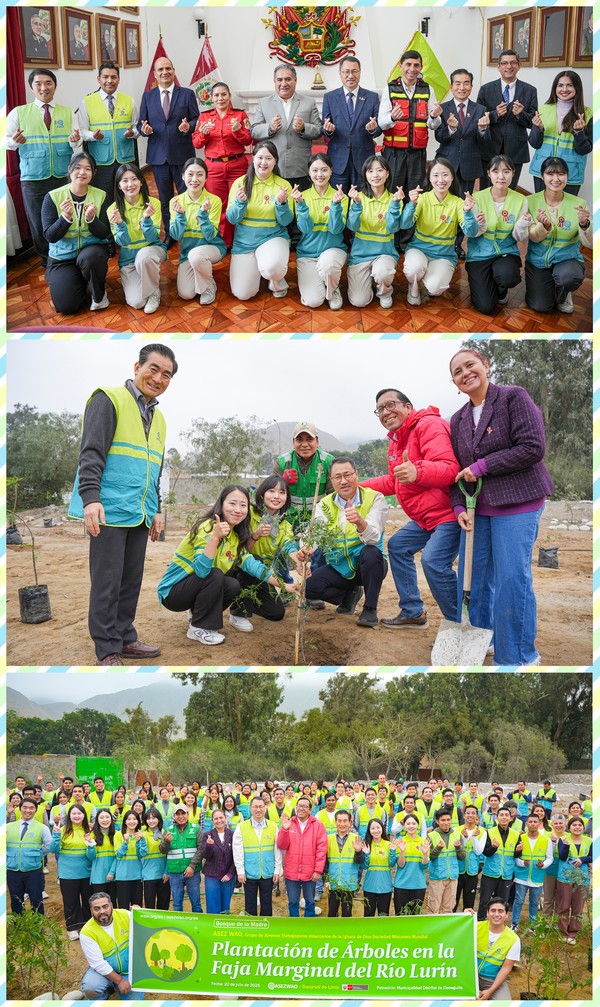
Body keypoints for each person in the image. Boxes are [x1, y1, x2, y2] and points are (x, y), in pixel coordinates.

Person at [68, 343, 176, 664]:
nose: (158, 378)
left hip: (139, 512)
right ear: (136, 367)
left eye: (166, 374)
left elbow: (153, 468)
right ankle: (107, 648)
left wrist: (156, 509)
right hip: (108, 510)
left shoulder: (159, 419)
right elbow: (91, 453)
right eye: (153, 369)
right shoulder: (108, 399)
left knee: (131, 580)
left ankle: (125, 636)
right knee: (107, 583)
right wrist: (91, 499)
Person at [449, 347, 554, 665]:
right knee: (472, 580)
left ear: (485, 366)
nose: (465, 373)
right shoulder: (458, 420)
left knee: (511, 580)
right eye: (457, 372)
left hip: (520, 503)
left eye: (470, 365)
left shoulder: (513, 397)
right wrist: (458, 508)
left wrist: (482, 466)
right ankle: (482, 642)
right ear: (454, 383)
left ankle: (519, 656)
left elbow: (533, 447)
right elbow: (457, 472)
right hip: (477, 510)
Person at [361, 387, 460, 630]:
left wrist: (418, 472)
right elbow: (394, 481)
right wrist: (356, 486)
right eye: (380, 409)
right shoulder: (397, 440)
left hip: (448, 513)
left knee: (434, 562)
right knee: (398, 545)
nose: (385, 411)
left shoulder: (429, 426)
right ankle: (413, 612)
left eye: (391, 404)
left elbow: (450, 469)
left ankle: (461, 622)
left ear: (408, 407)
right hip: (426, 516)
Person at [158, 484, 284, 645]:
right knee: (215, 574)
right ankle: (198, 628)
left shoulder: (235, 537)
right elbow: (202, 571)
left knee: (232, 584)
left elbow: (252, 565)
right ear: (221, 504)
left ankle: (197, 614)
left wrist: (284, 584)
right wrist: (215, 538)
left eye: (243, 505)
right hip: (173, 593)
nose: (238, 509)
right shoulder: (208, 527)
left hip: (193, 589)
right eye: (232, 503)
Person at [7, 69, 81, 270]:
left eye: (48, 83)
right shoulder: (19, 113)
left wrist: (76, 141)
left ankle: (65, 255)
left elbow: (77, 142)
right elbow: (5, 141)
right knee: (38, 223)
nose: (43, 87)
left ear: (55, 86)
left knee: (65, 216)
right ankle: (47, 260)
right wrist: (14, 141)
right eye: (38, 83)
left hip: (61, 175)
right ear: (32, 87)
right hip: (33, 177)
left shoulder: (67, 112)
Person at [304, 457, 389, 628]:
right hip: (340, 566)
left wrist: (360, 522)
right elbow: (313, 534)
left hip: (368, 566)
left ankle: (370, 608)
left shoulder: (375, 499)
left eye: (347, 475)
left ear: (356, 475)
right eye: (337, 477)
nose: (343, 481)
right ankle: (349, 595)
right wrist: (304, 550)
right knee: (310, 588)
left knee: (371, 553)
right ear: (331, 481)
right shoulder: (324, 505)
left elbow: (373, 538)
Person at [378, 49, 443, 251]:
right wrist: (392, 118)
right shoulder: (389, 89)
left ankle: (407, 241)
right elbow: (381, 122)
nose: (412, 69)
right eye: (408, 65)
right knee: (393, 194)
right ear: (401, 66)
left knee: (414, 194)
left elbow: (433, 125)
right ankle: (391, 237)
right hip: (394, 153)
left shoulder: (427, 89)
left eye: (416, 65)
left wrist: (435, 116)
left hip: (417, 153)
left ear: (420, 68)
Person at [401, 157, 479, 306]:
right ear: (429, 178)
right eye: (436, 175)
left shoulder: (458, 203)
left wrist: (468, 213)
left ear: (451, 178)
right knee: (414, 269)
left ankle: (425, 283)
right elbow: (405, 225)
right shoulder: (422, 199)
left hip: (444, 255)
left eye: (445, 174)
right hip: (419, 250)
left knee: (435, 289)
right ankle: (414, 285)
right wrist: (411, 204)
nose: (440, 180)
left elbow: (471, 232)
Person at [41, 150, 110, 313]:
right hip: (62, 257)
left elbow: (105, 233)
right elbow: (50, 236)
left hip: (91, 252)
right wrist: (65, 218)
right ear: (70, 170)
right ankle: (81, 280)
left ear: (94, 173)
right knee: (67, 306)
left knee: (92, 257)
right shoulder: (52, 197)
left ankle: (99, 296)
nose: (82, 172)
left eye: (87, 169)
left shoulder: (101, 196)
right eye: (78, 167)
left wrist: (92, 219)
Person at [137, 57, 199, 239]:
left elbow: (197, 119)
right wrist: (145, 130)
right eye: (160, 69)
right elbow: (141, 124)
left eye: (168, 68)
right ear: (155, 74)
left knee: (187, 195)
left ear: (173, 70)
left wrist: (189, 127)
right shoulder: (147, 96)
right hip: (158, 157)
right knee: (165, 199)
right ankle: (170, 234)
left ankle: (189, 232)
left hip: (183, 154)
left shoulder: (187, 94)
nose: (165, 72)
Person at [434, 69, 492, 259]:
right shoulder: (444, 108)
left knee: (462, 206)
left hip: (469, 164)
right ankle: (441, 242)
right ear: (451, 87)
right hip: (446, 164)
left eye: (466, 83)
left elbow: (485, 141)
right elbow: (439, 136)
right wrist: (450, 129)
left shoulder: (480, 110)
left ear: (471, 87)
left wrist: (483, 130)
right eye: (457, 83)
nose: (462, 87)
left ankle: (457, 244)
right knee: (442, 204)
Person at [229, 475, 301, 628]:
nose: (276, 496)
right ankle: (238, 613)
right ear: (262, 493)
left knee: (276, 613)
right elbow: (240, 552)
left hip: (258, 574)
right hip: (235, 567)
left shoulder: (284, 524)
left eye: (282, 492)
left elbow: (289, 546)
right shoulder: (247, 513)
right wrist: (255, 535)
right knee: (254, 559)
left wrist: (299, 559)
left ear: (286, 497)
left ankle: (242, 600)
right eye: (271, 491)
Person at [524, 155, 591, 315]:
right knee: (541, 306)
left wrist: (584, 224)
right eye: (550, 174)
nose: (556, 179)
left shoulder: (578, 204)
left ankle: (564, 294)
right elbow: (533, 237)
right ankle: (544, 287)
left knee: (569, 278)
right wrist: (543, 226)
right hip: (538, 261)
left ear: (567, 176)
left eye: (561, 174)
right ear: (542, 176)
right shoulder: (529, 201)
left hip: (567, 259)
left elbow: (590, 243)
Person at [226, 141, 293, 300]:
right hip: (244, 242)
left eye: (269, 158)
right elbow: (232, 218)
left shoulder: (283, 185)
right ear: (253, 158)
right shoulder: (240, 183)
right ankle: (258, 265)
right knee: (242, 294)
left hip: (273, 237)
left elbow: (286, 222)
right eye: (260, 157)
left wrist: (281, 204)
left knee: (272, 269)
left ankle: (276, 281)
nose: (264, 162)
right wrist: (240, 203)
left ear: (275, 161)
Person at [465, 155, 529, 314]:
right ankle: (486, 283)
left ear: (513, 173)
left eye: (506, 171)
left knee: (508, 276)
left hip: (506, 253)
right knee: (486, 306)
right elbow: (471, 234)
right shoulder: (477, 198)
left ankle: (501, 289)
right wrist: (479, 225)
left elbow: (519, 238)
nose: (501, 176)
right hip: (480, 254)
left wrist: (522, 224)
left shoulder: (521, 200)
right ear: (488, 173)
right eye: (496, 171)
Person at [192, 82, 252, 248]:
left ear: (229, 96)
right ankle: (224, 242)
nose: (220, 98)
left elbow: (248, 140)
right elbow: (196, 144)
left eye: (224, 94)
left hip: (237, 166)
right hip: (213, 168)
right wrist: (203, 135)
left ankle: (241, 239)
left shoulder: (240, 116)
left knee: (238, 203)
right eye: (216, 95)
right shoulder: (204, 117)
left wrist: (238, 131)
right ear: (211, 98)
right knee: (219, 204)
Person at [346, 154, 406, 308]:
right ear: (365, 175)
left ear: (387, 174)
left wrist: (394, 205)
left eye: (380, 170)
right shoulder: (357, 197)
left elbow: (393, 228)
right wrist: (357, 205)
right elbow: (352, 227)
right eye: (370, 171)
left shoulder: (395, 199)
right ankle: (366, 280)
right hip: (360, 255)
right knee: (359, 301)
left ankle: (384, 291)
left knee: (383, 272)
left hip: (384, 254)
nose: (375, 175)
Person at [250, 64, 322, 191]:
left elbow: (318, 130)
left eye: (288, 79)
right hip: (273, 167)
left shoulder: (309, 102)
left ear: (295, 80)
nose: (284, 83)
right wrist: (270, 128)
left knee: (300, 208)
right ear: (274, 82)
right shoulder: (264, 103)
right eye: (280, 80)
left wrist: (304, 128)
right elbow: (254, 131)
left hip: (301, 167)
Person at [108, 162, 166, 315]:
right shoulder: (112, 210)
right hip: (128, 260)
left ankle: (154, 292)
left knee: (144, 257)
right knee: (136, 302)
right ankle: (146, 279)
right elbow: (123, 242)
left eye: (134, 179)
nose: (130, 184)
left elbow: (154, 237)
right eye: (125, 180)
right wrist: (120, 224)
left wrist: (146, 220)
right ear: (119, 186)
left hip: (152, 251)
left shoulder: (154, 204)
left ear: (141, 182)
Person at [293, 154, 348, 310]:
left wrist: (336, 205)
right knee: (314, 301)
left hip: (333, 250)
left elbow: (335, 229)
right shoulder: (301, 196)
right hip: (307, 254)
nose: (320, 174)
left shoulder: (340, 197)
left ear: (331, 171)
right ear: (309, 173)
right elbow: (305, 229)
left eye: (324, 170)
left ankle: (333, 288)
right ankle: (323, 279)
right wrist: (301, 205)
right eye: (315, 170)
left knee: (328, 265)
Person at [169, 157, 226, 306]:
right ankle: (199, 270)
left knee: (197, 256)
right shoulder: (175, 202)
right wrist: (180, 216)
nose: (195, 179)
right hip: (187, 253)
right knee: (186, 294)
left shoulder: (213, 200)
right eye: (190, 174)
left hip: (213, 247)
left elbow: (209, 235)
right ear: (182, 176)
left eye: (200, 174)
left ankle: (208, 285)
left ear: (206, 177)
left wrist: (203, 215)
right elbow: (175, 236)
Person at [77, 63, 138, 202]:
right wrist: (92, 135)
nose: (109, 80)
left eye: (113, 77)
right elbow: (82, 131)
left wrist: (132, 133)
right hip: (100, 162)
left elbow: (136, 127)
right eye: (105, 77)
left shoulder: (129, 101)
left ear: (118, 79)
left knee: (127, 198)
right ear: (99, 79)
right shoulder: (87, 101)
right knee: (104, 199)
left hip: (125, 159)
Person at [477, 51, 537, 188]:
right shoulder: (486, 89)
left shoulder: (530, 90)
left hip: (516, 149)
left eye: (513, 62)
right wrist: (495, 114)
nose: (509, 66)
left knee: (510, 191)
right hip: (490, 147)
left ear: (519, 65)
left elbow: (533, 121)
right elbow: (479, 118)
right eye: (504, 63)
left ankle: (507, 211)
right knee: (486, 190)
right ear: (498, 67)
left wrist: (520, 114)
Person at [322, 56, 381, 189]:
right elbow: (324, 128)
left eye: (354, 71)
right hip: (338, 160)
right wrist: (328, 130)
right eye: (346, 71)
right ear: (340, 73)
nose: (350, 75)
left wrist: (372, 129)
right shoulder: (330, 97)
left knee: (360, 202)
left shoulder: (372, 97)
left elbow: (378, 129)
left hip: (364, 159)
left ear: (360, 72)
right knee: (339, 201)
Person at [529, 71, 592, 195]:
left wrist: (579, 132)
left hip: (570, 172)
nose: (564, 89)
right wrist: (538, 129)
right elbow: (534, 144)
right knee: (541, 210)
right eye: (560, 85)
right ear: (555, 88)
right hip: (543, 171)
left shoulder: (587, 114)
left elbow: (585, 149)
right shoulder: (543, 109)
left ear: (577, 88)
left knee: (565, 211)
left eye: (570, 85)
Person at [80, 892, 144, 1001]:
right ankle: (103, 997)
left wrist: (140, 914)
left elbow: (145, 930)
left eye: (105, 906)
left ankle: (114, 985)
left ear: (111, 905)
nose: (102, 911)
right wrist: (119, 981)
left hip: (128, 971)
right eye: (97, 908)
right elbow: (98, 963)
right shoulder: (87, 932)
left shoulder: (125, 915)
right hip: (104, 972)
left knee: (136, 1002)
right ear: (91, 911)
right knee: (90, 987)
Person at [277, 797, 327, 918]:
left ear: (310, 810)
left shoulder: (318, 825)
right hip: (292, 872)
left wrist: (318, 870)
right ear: (295, 808)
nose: (301, 808)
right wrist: (284, 829)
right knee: (293, 901)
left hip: (310, 873)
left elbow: (322, 849)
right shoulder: (290, 823)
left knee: (310, 901)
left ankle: (309, 927)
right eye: (299, 805)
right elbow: (281, 845)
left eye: (305, 806)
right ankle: (295, 925)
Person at [232, 796, 282, 917]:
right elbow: (237, 850)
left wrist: (277, 870)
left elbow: (277, 849)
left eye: (261, 806)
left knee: (267, 903)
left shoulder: (273, 826)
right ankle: (252, 929)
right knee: (250, 903)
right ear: (250, 808)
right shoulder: (241, 827)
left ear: (265, 808)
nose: (258, 810)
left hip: (267, 871)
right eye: (255, 807)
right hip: (249, 872)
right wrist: (240, 871)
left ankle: (266, 929)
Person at [50, 803, 94, 939]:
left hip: (86, 872)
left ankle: (87, 926)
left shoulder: (89, 831)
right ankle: (72, 927)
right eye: (73, 813)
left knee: (88, 900)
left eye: (79, 813)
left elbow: (92, 856)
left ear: (84, 815)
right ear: (69, 816)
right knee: (71, 901)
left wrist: (91, 846)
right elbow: (54, 850)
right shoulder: (62, 830)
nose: (76, 816)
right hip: (68, 873)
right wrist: (56, 836)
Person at [7, 797, 52, 915]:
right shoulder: (9, 827)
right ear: (19, 809)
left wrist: (36, 855)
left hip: (33, 870)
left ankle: (37, 928)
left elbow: (48, 846)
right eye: (25, 807)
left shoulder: (42, 828)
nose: (28, 810)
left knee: (36, 900)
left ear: (36, 810)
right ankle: (19, 927)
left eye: (32, 808)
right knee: (16, 900)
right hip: (13, 869)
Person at [471, 897, 521, 1000]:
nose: (496, 914)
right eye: (493, 911)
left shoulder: (513, 939)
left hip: (492, 980)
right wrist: (465, 917)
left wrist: (490, 991)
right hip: (469, 975)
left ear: (506, 915)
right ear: (487, 913)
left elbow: (506, 968)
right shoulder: (475, 927)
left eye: (501, 911)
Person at [189, 808, 237, 914]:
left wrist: (230, 873)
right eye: (216, 819)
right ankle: (213, 927)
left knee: (225, 905)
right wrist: (209, 845)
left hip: (228, 876)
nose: (219, 820)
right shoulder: (207, 835)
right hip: (212, 875)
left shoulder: (233, 835)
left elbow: (237, 856)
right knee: (212, 905)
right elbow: (205, 855)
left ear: (226, 818)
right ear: (212, 820)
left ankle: (224, 927)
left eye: (221, 818)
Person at [511, 813, 553, 928]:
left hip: (537, 877)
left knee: (534, 903)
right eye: (530, 822)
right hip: (521, 876)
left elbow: (550, 858)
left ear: (539, 823)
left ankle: (533, 926)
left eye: (535, 822)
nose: (533, 824)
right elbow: (516, 856)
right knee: (518, 901)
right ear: (526, 823)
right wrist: (522, 863)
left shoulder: (546, 840)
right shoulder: (521, 838)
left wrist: (543, 865)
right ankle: (514, 924)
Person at [478, 807, 519, 920]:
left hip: (506, 873)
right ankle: (480, 922)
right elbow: (486, 852)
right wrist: (493, 847)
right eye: (501, 815)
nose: (504, 817)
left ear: (511, 818)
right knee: (484, 901)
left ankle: (498, 924)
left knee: (502, 902)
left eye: (507, 815)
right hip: (490, 873)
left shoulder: (516, 834)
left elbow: (516, 855)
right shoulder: (489, 832)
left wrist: (518, 851)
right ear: (497, 818)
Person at [159, 804, 203, 913]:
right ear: (174, 816)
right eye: (177, 814)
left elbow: (201, 848)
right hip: (175, 873)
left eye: (183, 813)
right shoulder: (168, 830)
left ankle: (197, 928)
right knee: (177, 904)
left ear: (188, 815)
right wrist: (166, 842)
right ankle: (178, 929)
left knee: (196, 903)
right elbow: (162, 850)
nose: (180, 816)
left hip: (193, 873)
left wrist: (192, 867)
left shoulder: (196, 828)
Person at [556, 816, 592, 944]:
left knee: (578, 907)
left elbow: (592, 856)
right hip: (565, 877)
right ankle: (563, 932)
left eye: (579, 825)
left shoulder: (589, 840)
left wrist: (582, 859)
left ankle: (573, 933)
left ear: (583, 827)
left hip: (582, 878)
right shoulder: (563, 839)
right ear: (569, 827)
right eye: (574, 825)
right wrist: (565, 846)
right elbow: (562, 856)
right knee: (564, 905)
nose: (577, 827)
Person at [324, 809, 364, 917]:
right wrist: (326, 879)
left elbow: (360, 863)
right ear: (335, 822)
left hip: (348, 883)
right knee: (332, 912)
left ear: (350, 823)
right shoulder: (328, 839)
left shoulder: (356, 839)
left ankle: (345, 934)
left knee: (347, 912)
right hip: (333, 882)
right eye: (339, 821)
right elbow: (325, 862)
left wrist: (358, 851)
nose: (342, 824)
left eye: (345, 821)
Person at [427, 809, 466, 914]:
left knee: (448, 908)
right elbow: (429, 857)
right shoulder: (431, 836)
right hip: (437, 877)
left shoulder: (457, 835)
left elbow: (462, 857)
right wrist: (438, 848)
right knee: (434, 907)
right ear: (437, 821)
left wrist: (458, 848)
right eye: (443, 820)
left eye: (448, 820)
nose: (446, 823)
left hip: (452, 877)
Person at [392, 813, 430, 914]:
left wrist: (425, 854)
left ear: (418, 825)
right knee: (401, 916)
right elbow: (400, 865)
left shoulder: (424, 842)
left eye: (414, 823)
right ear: (404, 826)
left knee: (415, 916)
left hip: (418, 885)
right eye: (408, 823)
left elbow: (424, 866)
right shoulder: (399, 841)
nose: (411, 826)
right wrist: (402, 852)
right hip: (401, 885)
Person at [360, 819, 398, 917]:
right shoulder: (366, 845)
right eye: (373, 828)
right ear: (369, 830)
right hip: (370, 885)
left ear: (382, 829)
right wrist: (366, 854)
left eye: (378, 828)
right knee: (368, 914)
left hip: (385, 885)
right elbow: (364, 866)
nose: (376, 831)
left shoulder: (388, 844)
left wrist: (393, 851)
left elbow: (392, 864)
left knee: (383, 914)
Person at [113, 810, 148, 910]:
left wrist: (141, 840)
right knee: (123, 908)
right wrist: (125, 842)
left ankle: (135, 926)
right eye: (129, 819)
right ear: (125, 821)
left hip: (137, 876)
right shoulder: (118, 835)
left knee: (137, 908)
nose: (132, 822)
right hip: (122, 877)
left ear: (138, 821)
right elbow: (118, 855)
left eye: (134, 819)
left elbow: (142, 854)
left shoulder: (140, 835)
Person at [455, 805, 487, 912]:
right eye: (468, 813)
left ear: (477, 816)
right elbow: (457, 849)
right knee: (453, 901)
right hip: (458, 870)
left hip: (472, 871)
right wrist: (463, 839)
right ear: (464, 815)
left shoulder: (482, 831)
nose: (470, 815)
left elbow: (478, 851)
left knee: (469, 904)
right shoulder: (456, 830)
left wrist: (473, 837)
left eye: (473, 813)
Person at [88, 809, 117, 903]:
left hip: (114, 876)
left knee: (112, 903)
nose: (105, 820)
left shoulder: (117, 834)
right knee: (100, 904)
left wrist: (112, 872)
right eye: (101, 817)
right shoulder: (92, 835)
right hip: (98, 876)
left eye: (107, 817)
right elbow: (90, 857)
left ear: (111, 819)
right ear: (97, 820)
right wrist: (90, 846)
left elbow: (119, 856)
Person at [542, 813, 567, 917]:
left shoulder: (568, 837)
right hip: (550, 870)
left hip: (564, 871)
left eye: (561, 823)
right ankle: (546, 921)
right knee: (548, 897)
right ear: (552, 825)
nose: (558, 825)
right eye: (555, 823)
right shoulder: (547, 836)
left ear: (565, 825)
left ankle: (557, 922)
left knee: (560, 898)